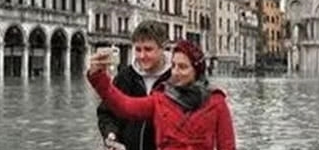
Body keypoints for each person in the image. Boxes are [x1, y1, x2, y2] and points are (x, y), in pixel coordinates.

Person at [88, 39, 236, 150]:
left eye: (183, 67)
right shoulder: (160, 99)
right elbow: (124, 105)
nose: (176, 72)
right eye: (173, 66)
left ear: (196, 71)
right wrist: (98, 76)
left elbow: (227, 146)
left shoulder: (216, 101)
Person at [97, 20, 173, 150]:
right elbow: (106, 112)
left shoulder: (176, 78)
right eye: (138, 49)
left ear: (163, 48)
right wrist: (110, 134)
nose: (142, 56)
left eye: (148, 49)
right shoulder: (125, 76)